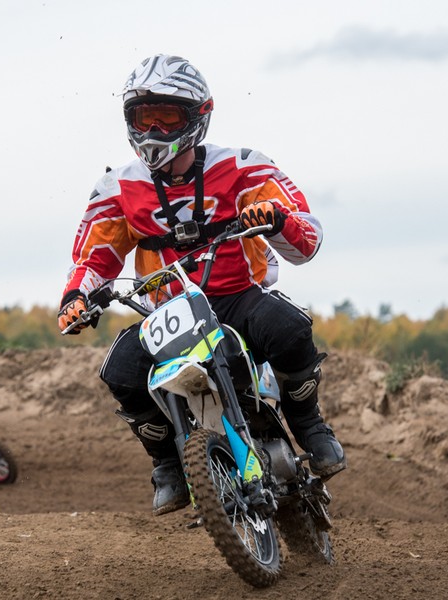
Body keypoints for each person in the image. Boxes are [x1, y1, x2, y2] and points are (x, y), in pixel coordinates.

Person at [57, 54, 346, 516]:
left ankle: (310, 426)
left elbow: (306, 240)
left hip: (237, 297)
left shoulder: (245, 166)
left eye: (166, 115)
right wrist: (75, 298)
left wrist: (276, 221)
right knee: (121, 371)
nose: (153, 128)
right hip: (169, 310)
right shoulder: (115, 188)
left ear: (196, 117)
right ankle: (168, 465)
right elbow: (96, 258)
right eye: (143, 116)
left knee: (290, 328)